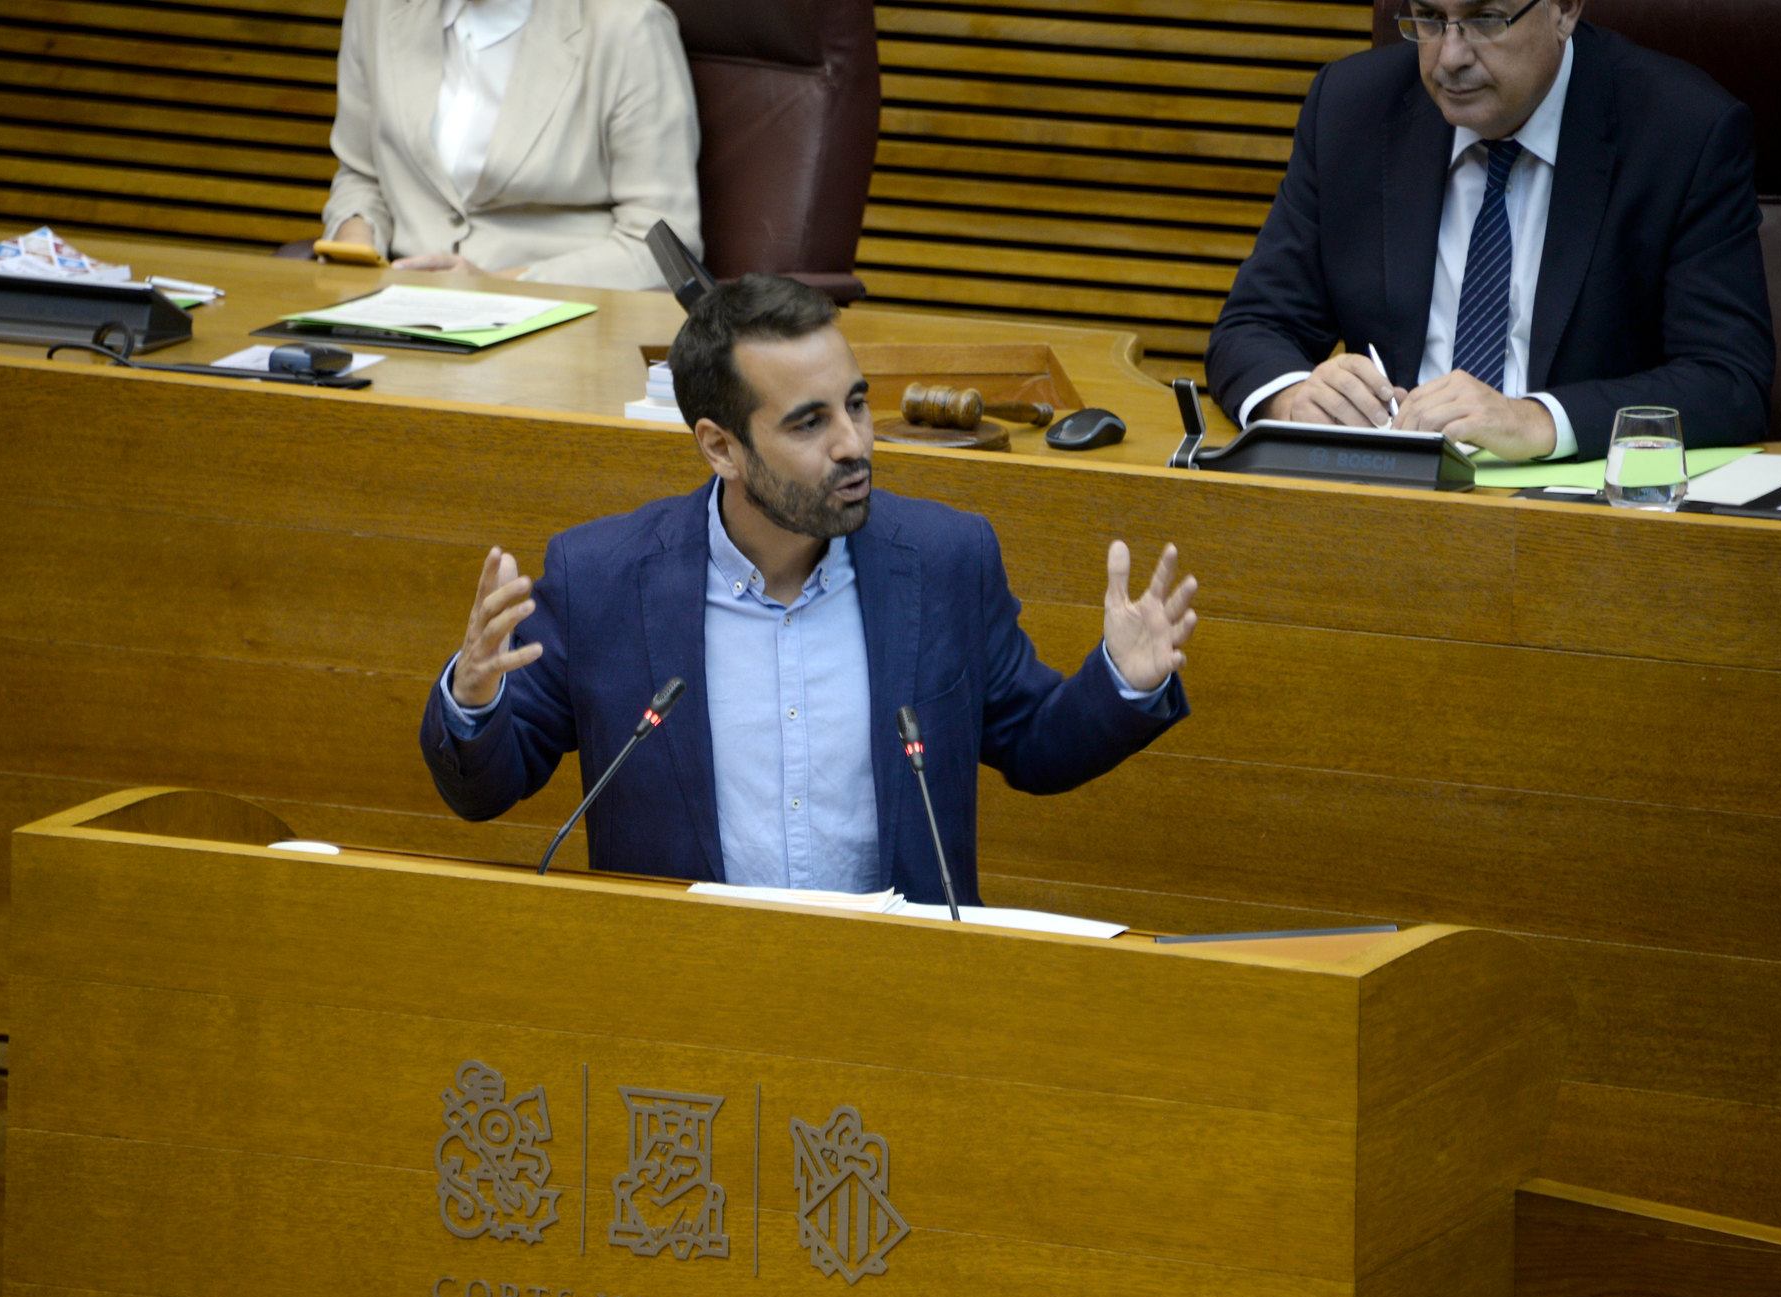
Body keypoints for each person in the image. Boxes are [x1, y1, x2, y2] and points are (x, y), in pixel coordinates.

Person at [419, 275, 1199, 906]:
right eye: (808, 422)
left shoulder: (942, 559)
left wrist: (1121, 684)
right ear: (720, 447)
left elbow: (1035, 743)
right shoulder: (606, 577)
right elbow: (486, 788)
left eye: (855, 403)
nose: (854, 443)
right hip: (683, 998)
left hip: (900, 997)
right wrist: (475, 698)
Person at [1205, 0, 1774, 460]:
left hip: (1586, 526)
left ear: (1565, 9)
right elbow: (1253, 326)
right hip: (1390, 502)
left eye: (1484, 19)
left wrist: (1537, 419)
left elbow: (1727, 380)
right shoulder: (1353, 109)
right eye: (1429, 17)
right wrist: (1293, 399)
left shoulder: (1683, 130)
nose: (1449, 57)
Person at [321, 0, 702, 289]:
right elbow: (362, 174)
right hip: (397, 307)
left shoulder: (628, 25)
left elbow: (666, 246)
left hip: (562, 321)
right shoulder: (376, 9)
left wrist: (497, 286)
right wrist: (357, 250)